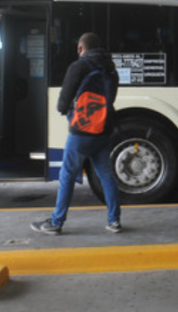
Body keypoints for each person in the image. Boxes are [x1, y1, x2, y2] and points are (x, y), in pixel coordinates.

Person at [32, 32, 122, 235]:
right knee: (106, 175)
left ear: (81, 48)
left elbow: (64, 100)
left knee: (68, 174)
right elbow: (111, 97)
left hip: (82, 130)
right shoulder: (110, 68)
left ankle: (56, 222)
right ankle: (114, 221)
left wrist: (66, 111)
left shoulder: (79, 66)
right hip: (104, 128)